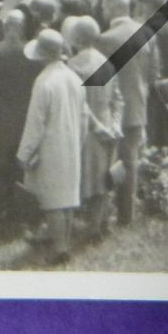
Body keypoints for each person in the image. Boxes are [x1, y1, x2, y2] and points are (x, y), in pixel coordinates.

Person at [16, 29, 84, 263]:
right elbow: (83, 115)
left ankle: (60, 248)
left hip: (50, 145)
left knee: (53, 199)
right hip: (72, 140)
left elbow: (35, 122)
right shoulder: (73, 78)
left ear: (42, 54)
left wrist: (24, 153)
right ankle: (63, 242)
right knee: (68, 195)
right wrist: (80, 140)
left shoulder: (44, 82)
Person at [0, 9, 41, 228]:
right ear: (22, 29)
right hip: (24, 123)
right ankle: (18, 214)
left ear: (5, 28)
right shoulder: (34, 56)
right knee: (20, 171)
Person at [97, 0, 156, 227]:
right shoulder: (148, 33)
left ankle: (110, 214)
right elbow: (153, 74)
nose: (102, 12)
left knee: (110, 161)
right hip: (139, 103)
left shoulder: (106, 38)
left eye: (104, 8)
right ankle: (127, 213)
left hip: (113, 108)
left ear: (112, 9)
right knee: (131, 160)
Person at [65, 15, 121, 237]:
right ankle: (101, 222)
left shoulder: (73, 66)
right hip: (107, 124)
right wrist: (115, 125)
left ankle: (93, 227)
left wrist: (98, 128)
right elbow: (117, 98)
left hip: (87, 129)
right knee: (104, 177)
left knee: (87, 178)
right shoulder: (107, 61)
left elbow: (80, 105)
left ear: (76, 38)